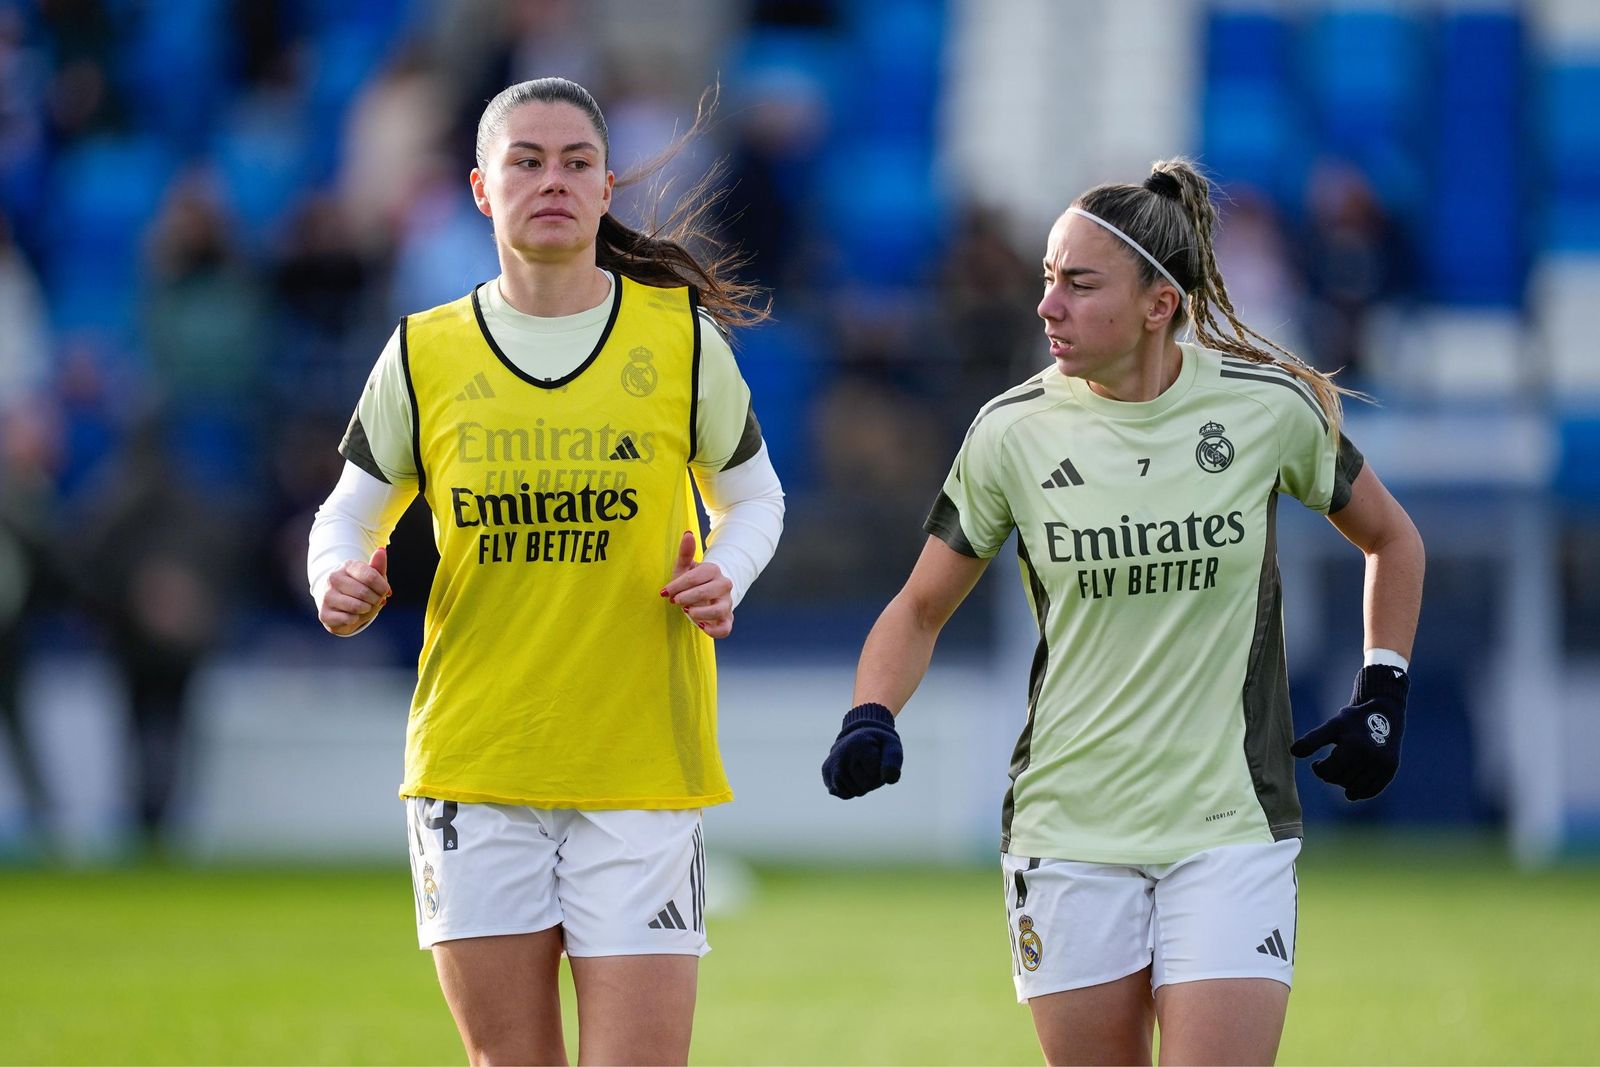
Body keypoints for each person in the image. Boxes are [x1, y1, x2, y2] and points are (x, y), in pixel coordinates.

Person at [821, 159, 1424, 1066]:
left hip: (1231, 827)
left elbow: (1393, 540)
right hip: (1066, 832)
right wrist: (871, 712)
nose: (1047, 305)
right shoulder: (1010, 431)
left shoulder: (1265, 408)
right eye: (1047, 279)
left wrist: (1385, 689)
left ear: (1159, 304)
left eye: (1078, 282)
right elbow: (918, 606)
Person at [307, 78, 783, 1066]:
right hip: (475, 768)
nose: (551, 179)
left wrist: (727, 570)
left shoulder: (682, 342)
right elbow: (350, 510)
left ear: (607, 188)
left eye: (574, 162)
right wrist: (335, 575)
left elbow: (757, 499)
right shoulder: (421, 352)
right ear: (482, 189)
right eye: (526, 160)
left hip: (640, 767)